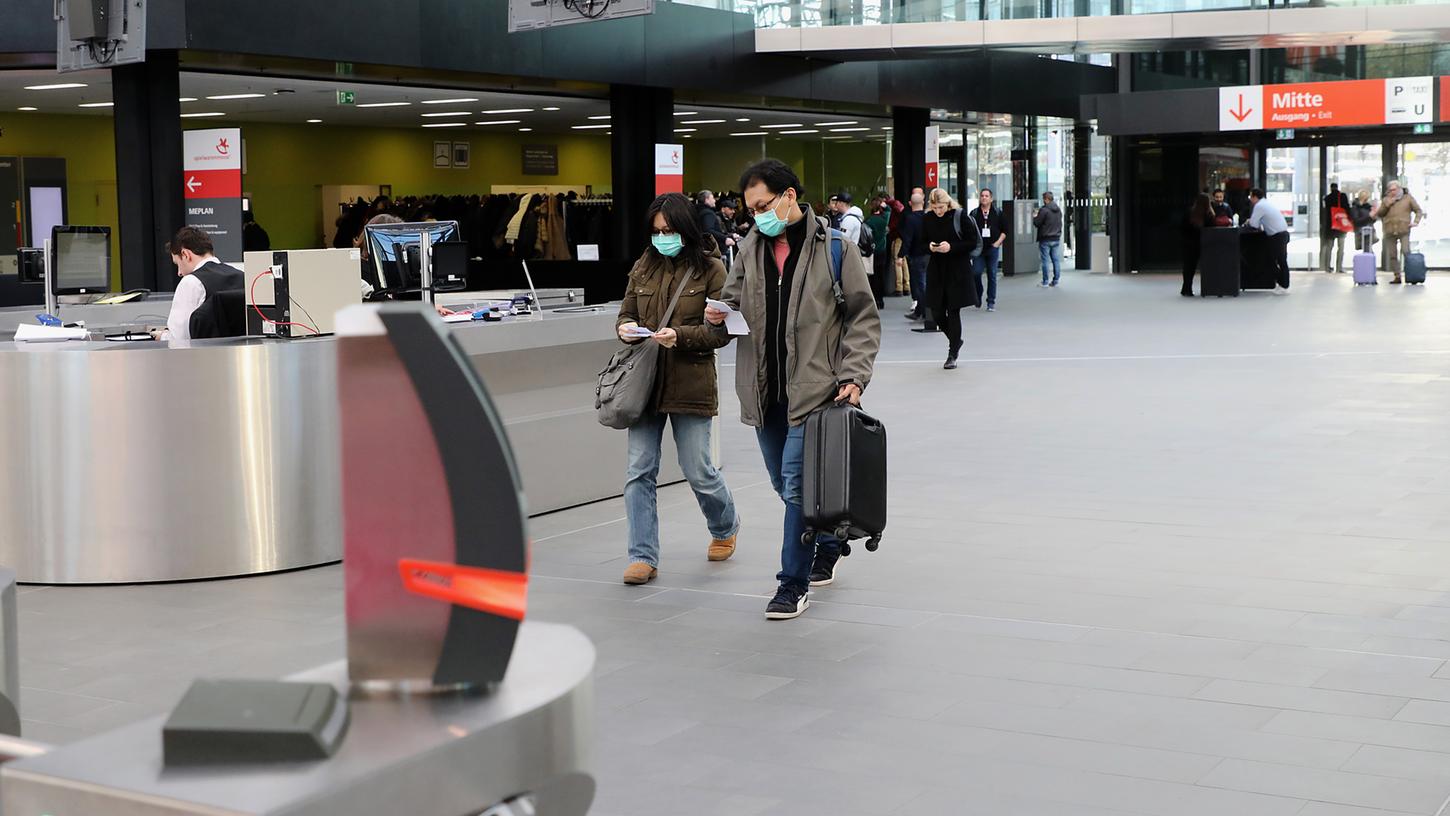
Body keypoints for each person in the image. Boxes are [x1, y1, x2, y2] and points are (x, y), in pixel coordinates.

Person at [705, 159, 880, 620]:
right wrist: (719, 313)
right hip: (764, 390)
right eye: (750, 209)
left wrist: (853, 376)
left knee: (799, 487)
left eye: (762, 205)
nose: (756, 215)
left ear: (788, 196)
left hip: (817, 390)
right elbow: (733, 300)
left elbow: (863, 318)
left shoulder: (836, 248)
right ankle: (827, 542)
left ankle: (791, 583)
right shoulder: (749, 247)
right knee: (786, 485)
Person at [615, 193, 740, 585]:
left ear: (685, 229)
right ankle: (642, 555)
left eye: (669, 231)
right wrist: (624, 327)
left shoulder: (712, 270)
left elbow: (722, 332)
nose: (662, 238)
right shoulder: (644, 265)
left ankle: (725, 524)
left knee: (698, 469)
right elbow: (627, 310)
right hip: (646, 384)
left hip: (691, 381)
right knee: (639, 470)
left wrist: (680, 336)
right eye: (656, 232)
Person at [151, 226, 243, 341]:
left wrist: (161, 336)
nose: (179, 273)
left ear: (185, 254)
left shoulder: (191, 282)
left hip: (205, 356)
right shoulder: (242, 276)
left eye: (177, 264)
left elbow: (179, 338)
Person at [922, 188, 980, 369]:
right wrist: (930, 246)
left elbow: (971, 242)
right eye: (935, 207)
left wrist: (952, 247)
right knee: (937, 312)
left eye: (941, 207)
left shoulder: (959, 216)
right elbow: (921, 242)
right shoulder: (928, 218)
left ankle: (952, 353)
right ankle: (956, 340)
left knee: (953, 311)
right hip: (937, 269)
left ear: (948, 203)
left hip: (957, 269)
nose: (938, 211)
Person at [1374, 180, 1423, 284]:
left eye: (1394, 189)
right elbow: (1380, 214)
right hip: (1389, 230)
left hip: (1404, 229)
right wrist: (1386, 204)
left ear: (1399, 189)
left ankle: (1410, 275)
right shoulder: (1386, 200)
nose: (1392, 192)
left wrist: (1416, 221)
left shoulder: (1408, 198)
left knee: (1406, 252)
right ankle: (1397, 276)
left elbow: (1418, 210)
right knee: (1392, 255)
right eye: (1390, 190)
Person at [967, 189, 1007, 312]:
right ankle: (978, 294)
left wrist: (997, 243)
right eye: (982, 196)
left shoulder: (998, 213)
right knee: (976, 273)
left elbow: (1005, 231)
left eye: (986, 196)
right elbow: (969, 231)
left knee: (992, 274)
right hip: (979, 249)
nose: (984, 198)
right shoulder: (974, 213)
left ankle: (991, 302)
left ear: (991, 199)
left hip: (992, 248)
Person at [899, 192, 934, 329]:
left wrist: (901, 255)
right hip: (929, 254)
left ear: (909, 203)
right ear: (923, 202)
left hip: (916, 255)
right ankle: (920, 311)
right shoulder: (928, 218)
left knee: (920, 285)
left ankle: (925, 312)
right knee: (922, 283)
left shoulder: (910, 219)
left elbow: (907, 239)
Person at [1246, 188, 1291, 290]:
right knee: (1280, 260)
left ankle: (1283, 284)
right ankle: (1283, 284)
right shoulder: (1266, 203)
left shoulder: (1259, 206)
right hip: (1282, 234)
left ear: (1254, 197)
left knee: (1271, 261)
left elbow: (1254, 224)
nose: (1250, 200)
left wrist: (1249, 221)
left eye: (1250, 197)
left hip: (1276, 236)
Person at [1182, 193, 1212, 297]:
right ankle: (1208, 288)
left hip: (1189, 243)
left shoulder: (1189, 212)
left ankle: (1186, 288)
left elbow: (1183, 227)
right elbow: (1212, 227)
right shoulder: (1208, 214)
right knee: (1207, 267)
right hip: (1203, 243)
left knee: (1189, 267)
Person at [1033, 191, 1064, 288]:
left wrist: (1035, 216)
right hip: (1056, 238)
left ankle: (1045, 281)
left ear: (1046, 199)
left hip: (1045, 238)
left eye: (1044, 199)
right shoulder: (1058, 209)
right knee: (1055, 260)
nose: (1043, 201)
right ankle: (1055, 280)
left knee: (1045, 260)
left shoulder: (1044, 210)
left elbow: (1037, 223)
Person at [865, 196, 891, 309]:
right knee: (881, 275)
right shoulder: (884, 218)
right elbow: (889, 210)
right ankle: (881, 300)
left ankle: (875, 299)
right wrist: (885, 205)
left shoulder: (869, 221)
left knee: (873, 276)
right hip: (883, 250)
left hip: (873, 251)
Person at [1320, 182, 1350, 274]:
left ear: (1330, 188)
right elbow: (1347, 209)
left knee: (1329, 247)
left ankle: (1327, 267)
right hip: (1340, 224)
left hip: (1330, 226)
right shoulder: (1342, 196)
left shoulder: (1327, 198)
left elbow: (1324, 212)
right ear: (1337, 188)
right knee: (1341, 247)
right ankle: (1339, 267)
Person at [696, 191, 730, 260]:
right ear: (707, 200)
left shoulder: (696, 211)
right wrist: (724, 238)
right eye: (713, 198)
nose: (715, 200)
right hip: (711, 249)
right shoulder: (707, 213)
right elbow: (708, 230)